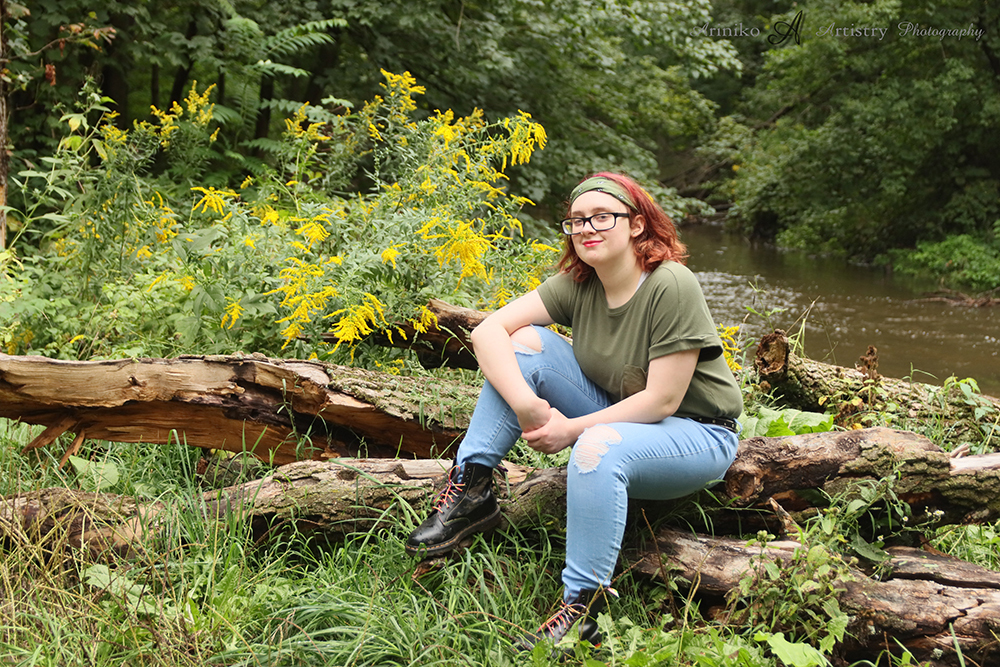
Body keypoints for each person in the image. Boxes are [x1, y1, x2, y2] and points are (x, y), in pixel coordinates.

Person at [405, 172, 743, 651]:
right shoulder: (578, 283)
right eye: (577, 220)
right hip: (619, 412)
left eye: (603, 217)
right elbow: (486, 333)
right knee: (525, 343)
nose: (588, 228)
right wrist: (526, 405)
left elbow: (662, 401)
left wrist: (570, 430)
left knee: (595, 445)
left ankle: (582, 613)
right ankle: (473, 488)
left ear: (638, 226)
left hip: (696, 432)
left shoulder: (671, 284)